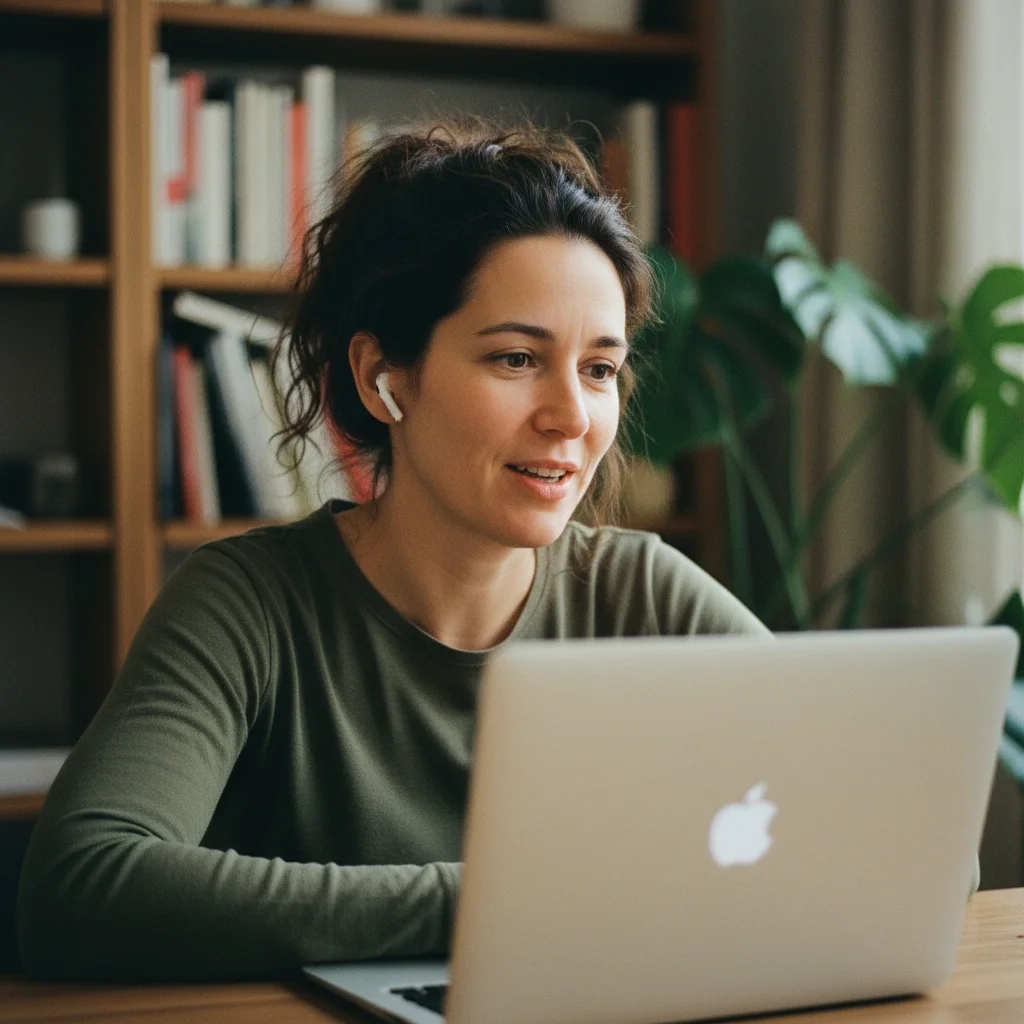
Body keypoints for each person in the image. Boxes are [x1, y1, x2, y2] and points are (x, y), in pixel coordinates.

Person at [17, 121, 769, 982]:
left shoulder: (646, 594)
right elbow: (80, 886)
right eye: (518, 358)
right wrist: (497, 901)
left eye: (599, 369)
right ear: (385, 378)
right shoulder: (250, 604)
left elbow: (878, 832)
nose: (571, 415)